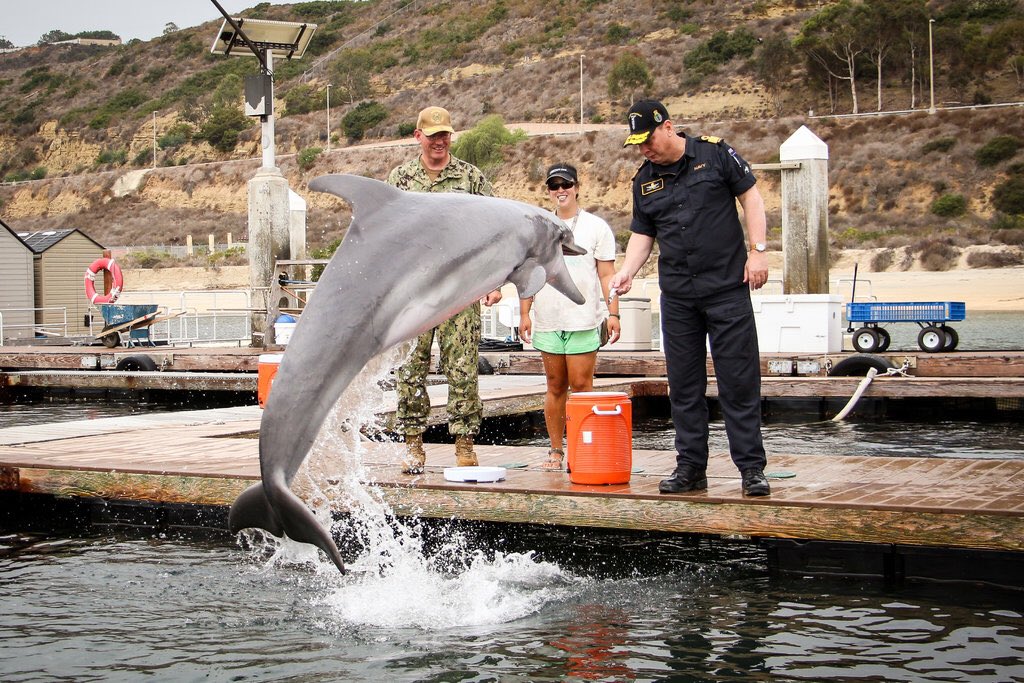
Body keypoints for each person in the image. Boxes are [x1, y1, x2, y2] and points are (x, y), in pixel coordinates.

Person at [609, 100, 771, 497]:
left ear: (668, 127)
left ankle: (751, 469)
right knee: (683, 386)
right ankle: (691, 468)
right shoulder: (643, 180)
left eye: (648, 139)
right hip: (679, 296)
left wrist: (759, 250)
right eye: (638, 143)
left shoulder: (716, 153)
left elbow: (751, 197)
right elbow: (643, 234)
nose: (644, 149)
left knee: (738, 381)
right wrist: (628, 269)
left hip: (727, 289)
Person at [387, 105, 502, 474]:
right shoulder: (401, 179)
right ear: (417, 136)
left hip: (460, 290)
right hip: (414, 294)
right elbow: (385, 236)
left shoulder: (471, 178)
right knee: (409, 368)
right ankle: (412, 445)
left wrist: (494, 281)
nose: (440, 141)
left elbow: (494, 231)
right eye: (433, 135)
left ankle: (464, 444)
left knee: (462, 368)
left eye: (445, 135)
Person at [518, 163, 621, 471]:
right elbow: (528, 274)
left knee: (581, 384)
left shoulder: (596, 227)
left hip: (584, 319)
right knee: (554, 384)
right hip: (549, 318)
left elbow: (607, 274)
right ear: (548, 191)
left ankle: (581, 447)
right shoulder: (539, 227)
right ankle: (555, 450)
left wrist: (613, 312)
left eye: (566, 184)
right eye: (554, 185)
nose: (560, 190)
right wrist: (525, 312)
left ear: (577, 186)